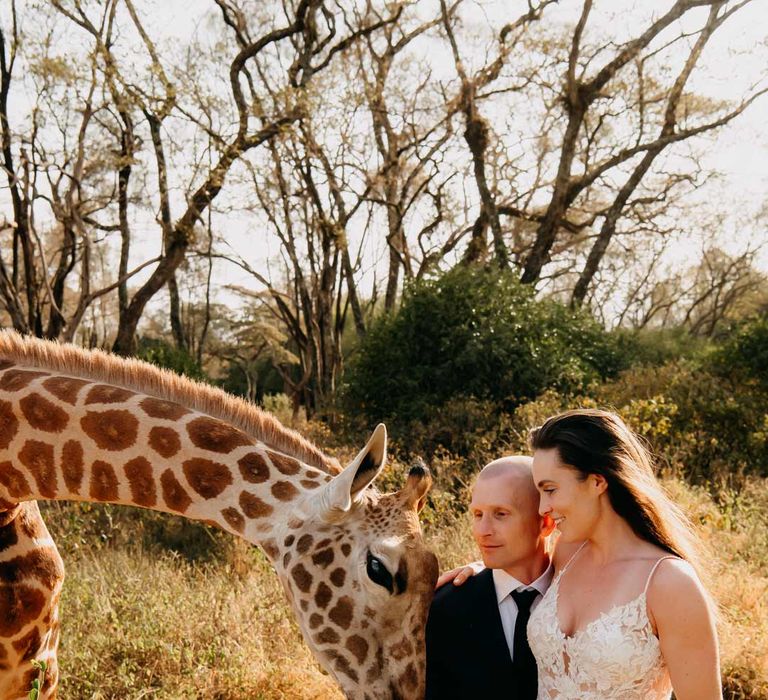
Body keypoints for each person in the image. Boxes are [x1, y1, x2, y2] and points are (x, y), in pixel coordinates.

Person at [448, 409, 722, 700]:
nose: (543, 508)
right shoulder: (567, 553)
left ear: (597, 482)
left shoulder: (670, 583)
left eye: (550, 490)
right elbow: (526, 573)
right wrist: (483, 569)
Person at [424, 456, 558, 699]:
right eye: (477, 514)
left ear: (546, 522)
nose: (482, 531)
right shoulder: (443, 609)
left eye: (501, 514)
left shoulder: (582, 596)